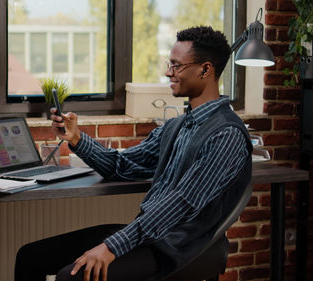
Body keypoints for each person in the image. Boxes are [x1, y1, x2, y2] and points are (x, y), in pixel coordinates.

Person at [15, 26, 253, 281]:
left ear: (206, 70)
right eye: (168, 64)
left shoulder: (226, 135)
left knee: (71, 277)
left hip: (181, 248)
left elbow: (181, 203)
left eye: (176, 65)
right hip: (152, 235)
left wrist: (111, 247)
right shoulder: (177, 126)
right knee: (31, 257)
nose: (167, 72)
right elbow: (123, 165)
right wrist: (75, 137)